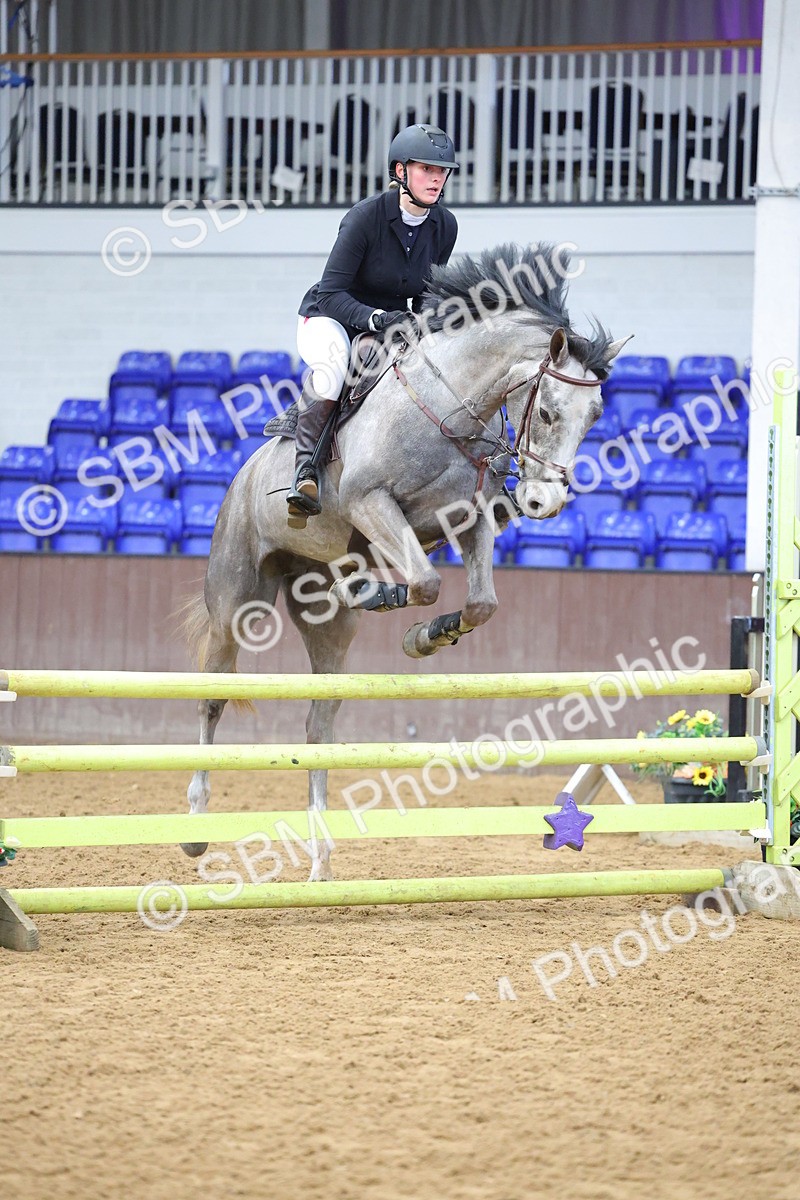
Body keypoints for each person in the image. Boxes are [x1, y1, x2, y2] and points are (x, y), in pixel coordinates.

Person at [287, 123, 459, 524]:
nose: (437, 179)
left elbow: (427, 295)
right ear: (400, 171)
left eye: (442, 171)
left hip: (388, 325)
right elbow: (331, 292)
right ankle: (305, 470)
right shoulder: (365, 218)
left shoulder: (444, 226)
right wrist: (376, 318)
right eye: (426, 170)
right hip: (329, 318)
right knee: (333, 368)